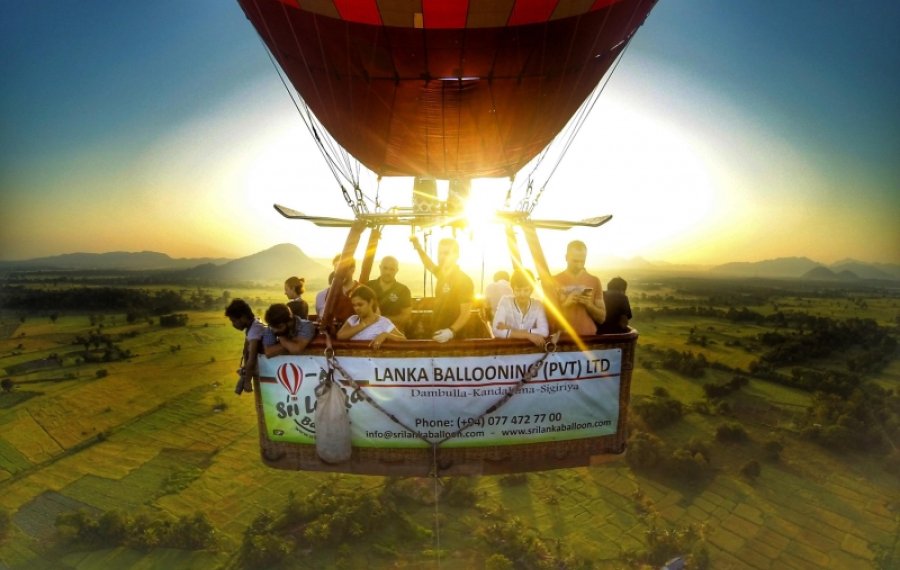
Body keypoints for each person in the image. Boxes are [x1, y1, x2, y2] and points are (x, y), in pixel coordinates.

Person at [410, 236, 474, 342]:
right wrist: (418, 248)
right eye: (440, 253)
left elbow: (466, 313)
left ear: (456, 256)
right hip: (438, 332)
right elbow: (428, 264)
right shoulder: (441, 274)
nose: (442, 257)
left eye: (447, 253)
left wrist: (450, 331)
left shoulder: (464, 280)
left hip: (455, 339)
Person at [554, 240, 606, 336]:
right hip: (563, 340)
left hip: (589, 337)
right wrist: (565, 304)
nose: (579, 265)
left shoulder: (594, 281)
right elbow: (548, 317)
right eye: (575, 261)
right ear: (566, 257)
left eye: (582, 261)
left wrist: (589, 305)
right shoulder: (553, 281)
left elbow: (602, 318)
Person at [492, 269, 549, 347]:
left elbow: (544, 331)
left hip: (529, 349)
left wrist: (510, 330)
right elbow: (496, 331)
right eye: (518, 290)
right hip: (506, 349)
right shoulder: (505, 301)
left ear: (531, 290)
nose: (522, 294)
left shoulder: (537, 305)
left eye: (526, 290)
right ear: (513, 290)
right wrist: (528, 335)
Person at [337, 285, 406, 349]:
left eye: (360, 304)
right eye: (354, 305)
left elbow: (404, 340)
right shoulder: (353, 319)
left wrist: (386, 335)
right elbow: (340, 336)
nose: (356, 308)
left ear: (371, 302)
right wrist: (365, 323)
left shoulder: (383, 322)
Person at [224, 299, 265, 395]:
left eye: (234, 321)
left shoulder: (254, 331)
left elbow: (252, 357)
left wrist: (247, 381)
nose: (233, 324)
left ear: (243, 317)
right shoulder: (255, 323)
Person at [366, 256, 412, 333]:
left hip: (393, 332)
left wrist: (381, 319)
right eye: (385, 268)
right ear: (380, 267)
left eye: (392, 269)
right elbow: (358, 310)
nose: (388, 272)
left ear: (397, 270)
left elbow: (406, 317)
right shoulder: (368, 286)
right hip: (369, 330)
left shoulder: (403, 290)